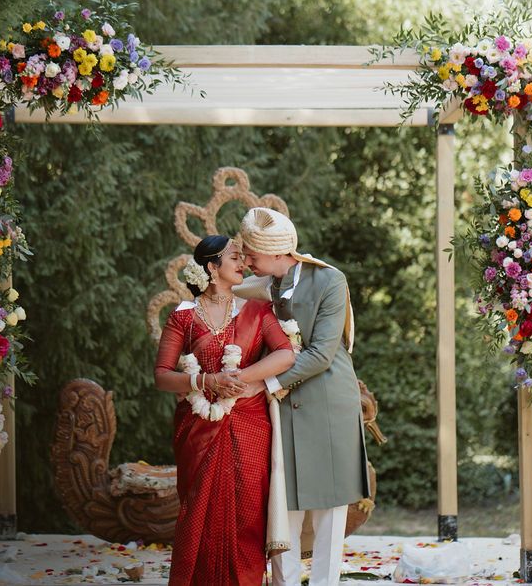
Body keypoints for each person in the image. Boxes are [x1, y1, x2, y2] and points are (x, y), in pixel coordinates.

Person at [236, 207, 370, 586]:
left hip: (329, 404)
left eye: (253, 255)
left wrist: (266, 385)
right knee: (284, 504)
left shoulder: (330, 280)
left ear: (278, 253)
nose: (247, 261)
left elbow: (322, 353)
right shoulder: (261, 286)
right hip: (281, 411)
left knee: (329, 509)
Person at [154, 234, 295, 586]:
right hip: (198, 428)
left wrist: (243, 376)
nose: (243, 263)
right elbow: (162, 376)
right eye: (235, 257)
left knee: (247, 509)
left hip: (249, 423)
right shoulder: (182, 317)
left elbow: (285, 354)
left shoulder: (256, 311)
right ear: (212, 267)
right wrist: (206, 382)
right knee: (197, 509)